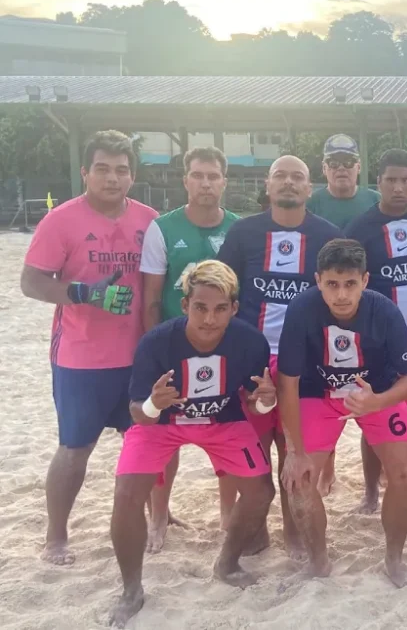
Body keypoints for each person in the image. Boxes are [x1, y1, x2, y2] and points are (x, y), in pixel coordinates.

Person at [107, 260, 275, 627]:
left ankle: (227, 564)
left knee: (262, 491)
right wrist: (155, 402)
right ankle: (131, 589)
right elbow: (138, 414)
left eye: (219, 309)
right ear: (185, 306)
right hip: (162, 423)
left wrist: (267, 398)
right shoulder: (156, 341)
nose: (209, 318)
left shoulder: (250, 342)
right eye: (200, 307)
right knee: (126, 494)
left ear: (234, 308)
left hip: (223, 420)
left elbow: (255, 402)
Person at [20, 130, 158, 566]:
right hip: (82, 358)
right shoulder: (60, 220)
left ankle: (162, 516)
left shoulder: (150, 219)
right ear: (85, 172)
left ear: (132, 176)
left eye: (121, 170)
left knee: (150, 441)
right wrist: (82, 293)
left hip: (139, 356)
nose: (112, 178)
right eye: (102, 168)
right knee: (76, 448)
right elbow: (31, 281)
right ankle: (56, 536)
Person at [216, 155, 342, 557]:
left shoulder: (327, 237)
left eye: (298, 177)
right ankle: (255, 531)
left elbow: (339, 302)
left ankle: (293, 536)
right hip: (248, 365)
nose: (289, 183)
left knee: (294, 454)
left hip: (302, 365)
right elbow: (224, 297)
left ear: (309, 188)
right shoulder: (243, 233)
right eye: (280, 176)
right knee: (251, 458)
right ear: (267, 186)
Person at [277, 239, 407, 585]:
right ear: (318, 281)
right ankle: (318, 561)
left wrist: (378, 402)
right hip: (319, 393)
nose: (341, 294)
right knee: (299, 477)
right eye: (332, 284)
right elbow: (288, 383)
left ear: (365, 281)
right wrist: (294, 451)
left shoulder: (384, 311)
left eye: (350, 284)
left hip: (377, 392)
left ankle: (394, 560)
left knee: (403, 472)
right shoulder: (301, 310)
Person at [139, 145, 240, 551]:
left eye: (213, 176)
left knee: (227, 431)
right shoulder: (162, 228)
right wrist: (155, 353)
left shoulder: (237, 228)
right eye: (198, 175)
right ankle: (159, 517)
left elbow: (240, 297)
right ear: (185, 180)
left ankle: (227, 515)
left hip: (223, 347)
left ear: (224, 182)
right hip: (174, 348)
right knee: (165, 434)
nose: (205, 183)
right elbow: (150, 299)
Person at [344, 149, 407, 513]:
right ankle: (371, 492)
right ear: (379, 183)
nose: (399, 187)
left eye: (405, 180)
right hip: (377, 344)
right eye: (391, 180)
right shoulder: (361, 228)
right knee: (372, 417)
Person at [306, 134, 381, 230]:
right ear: (324, 168)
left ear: (359, 167)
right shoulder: (310, 204)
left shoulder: (376, 201)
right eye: (333, 163)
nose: (341, 168)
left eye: (348, 162)